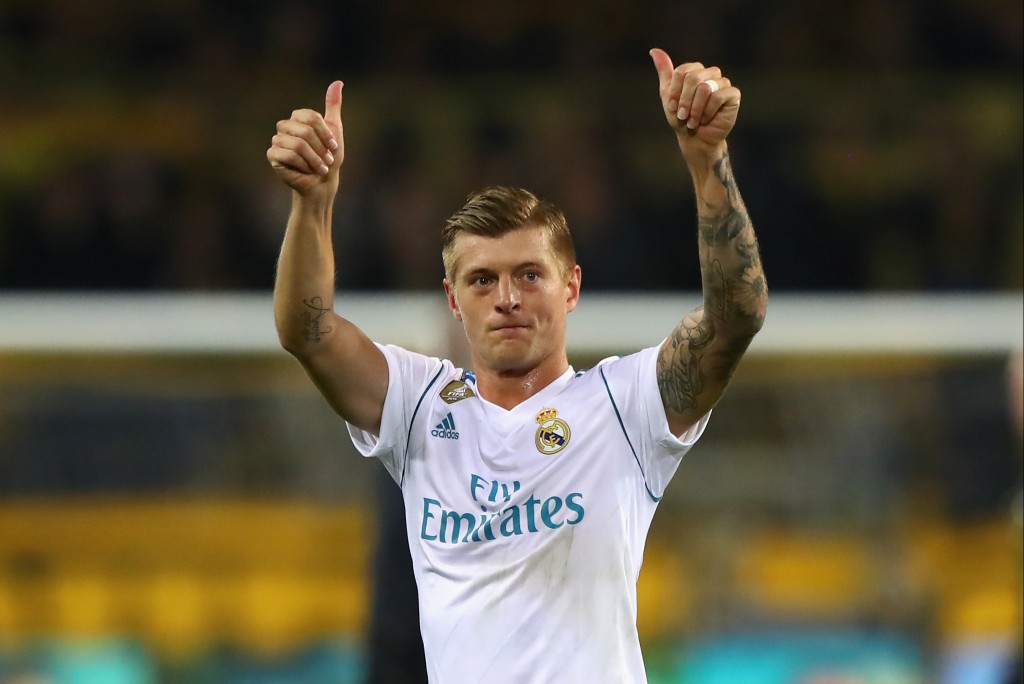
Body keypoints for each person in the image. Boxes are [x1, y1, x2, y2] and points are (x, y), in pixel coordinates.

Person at [267, 48, 767, 683]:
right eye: (482, 280)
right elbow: (307, 333)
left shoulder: (625, 405)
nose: (507, 298)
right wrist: (313, 204)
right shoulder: (418, 406)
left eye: (530, 274)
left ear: (571, 287)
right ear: (453, 301)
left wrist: (707, 161)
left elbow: (733, 317)